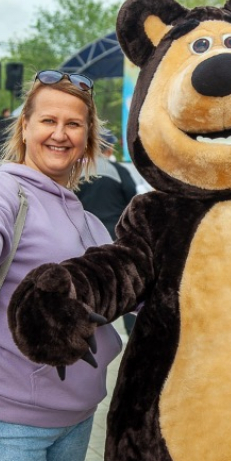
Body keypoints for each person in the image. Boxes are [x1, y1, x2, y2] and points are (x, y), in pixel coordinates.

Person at [0, 70, 123, 461]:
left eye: (73, 124)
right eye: (48, 121)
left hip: (76, 418)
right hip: (11, 424)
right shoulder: (4, 190)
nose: (60, 133)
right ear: (25, 127)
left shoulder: (82, 213)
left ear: (87, 137)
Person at [76, 129, 138, 334]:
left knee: (86, 287)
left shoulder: (77, 173)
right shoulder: (119, 172)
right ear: (110, 148)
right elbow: (133, 199)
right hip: (115, 237)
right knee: (127, 286)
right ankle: (133, 332)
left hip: (84, 239)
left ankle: (84, 330)